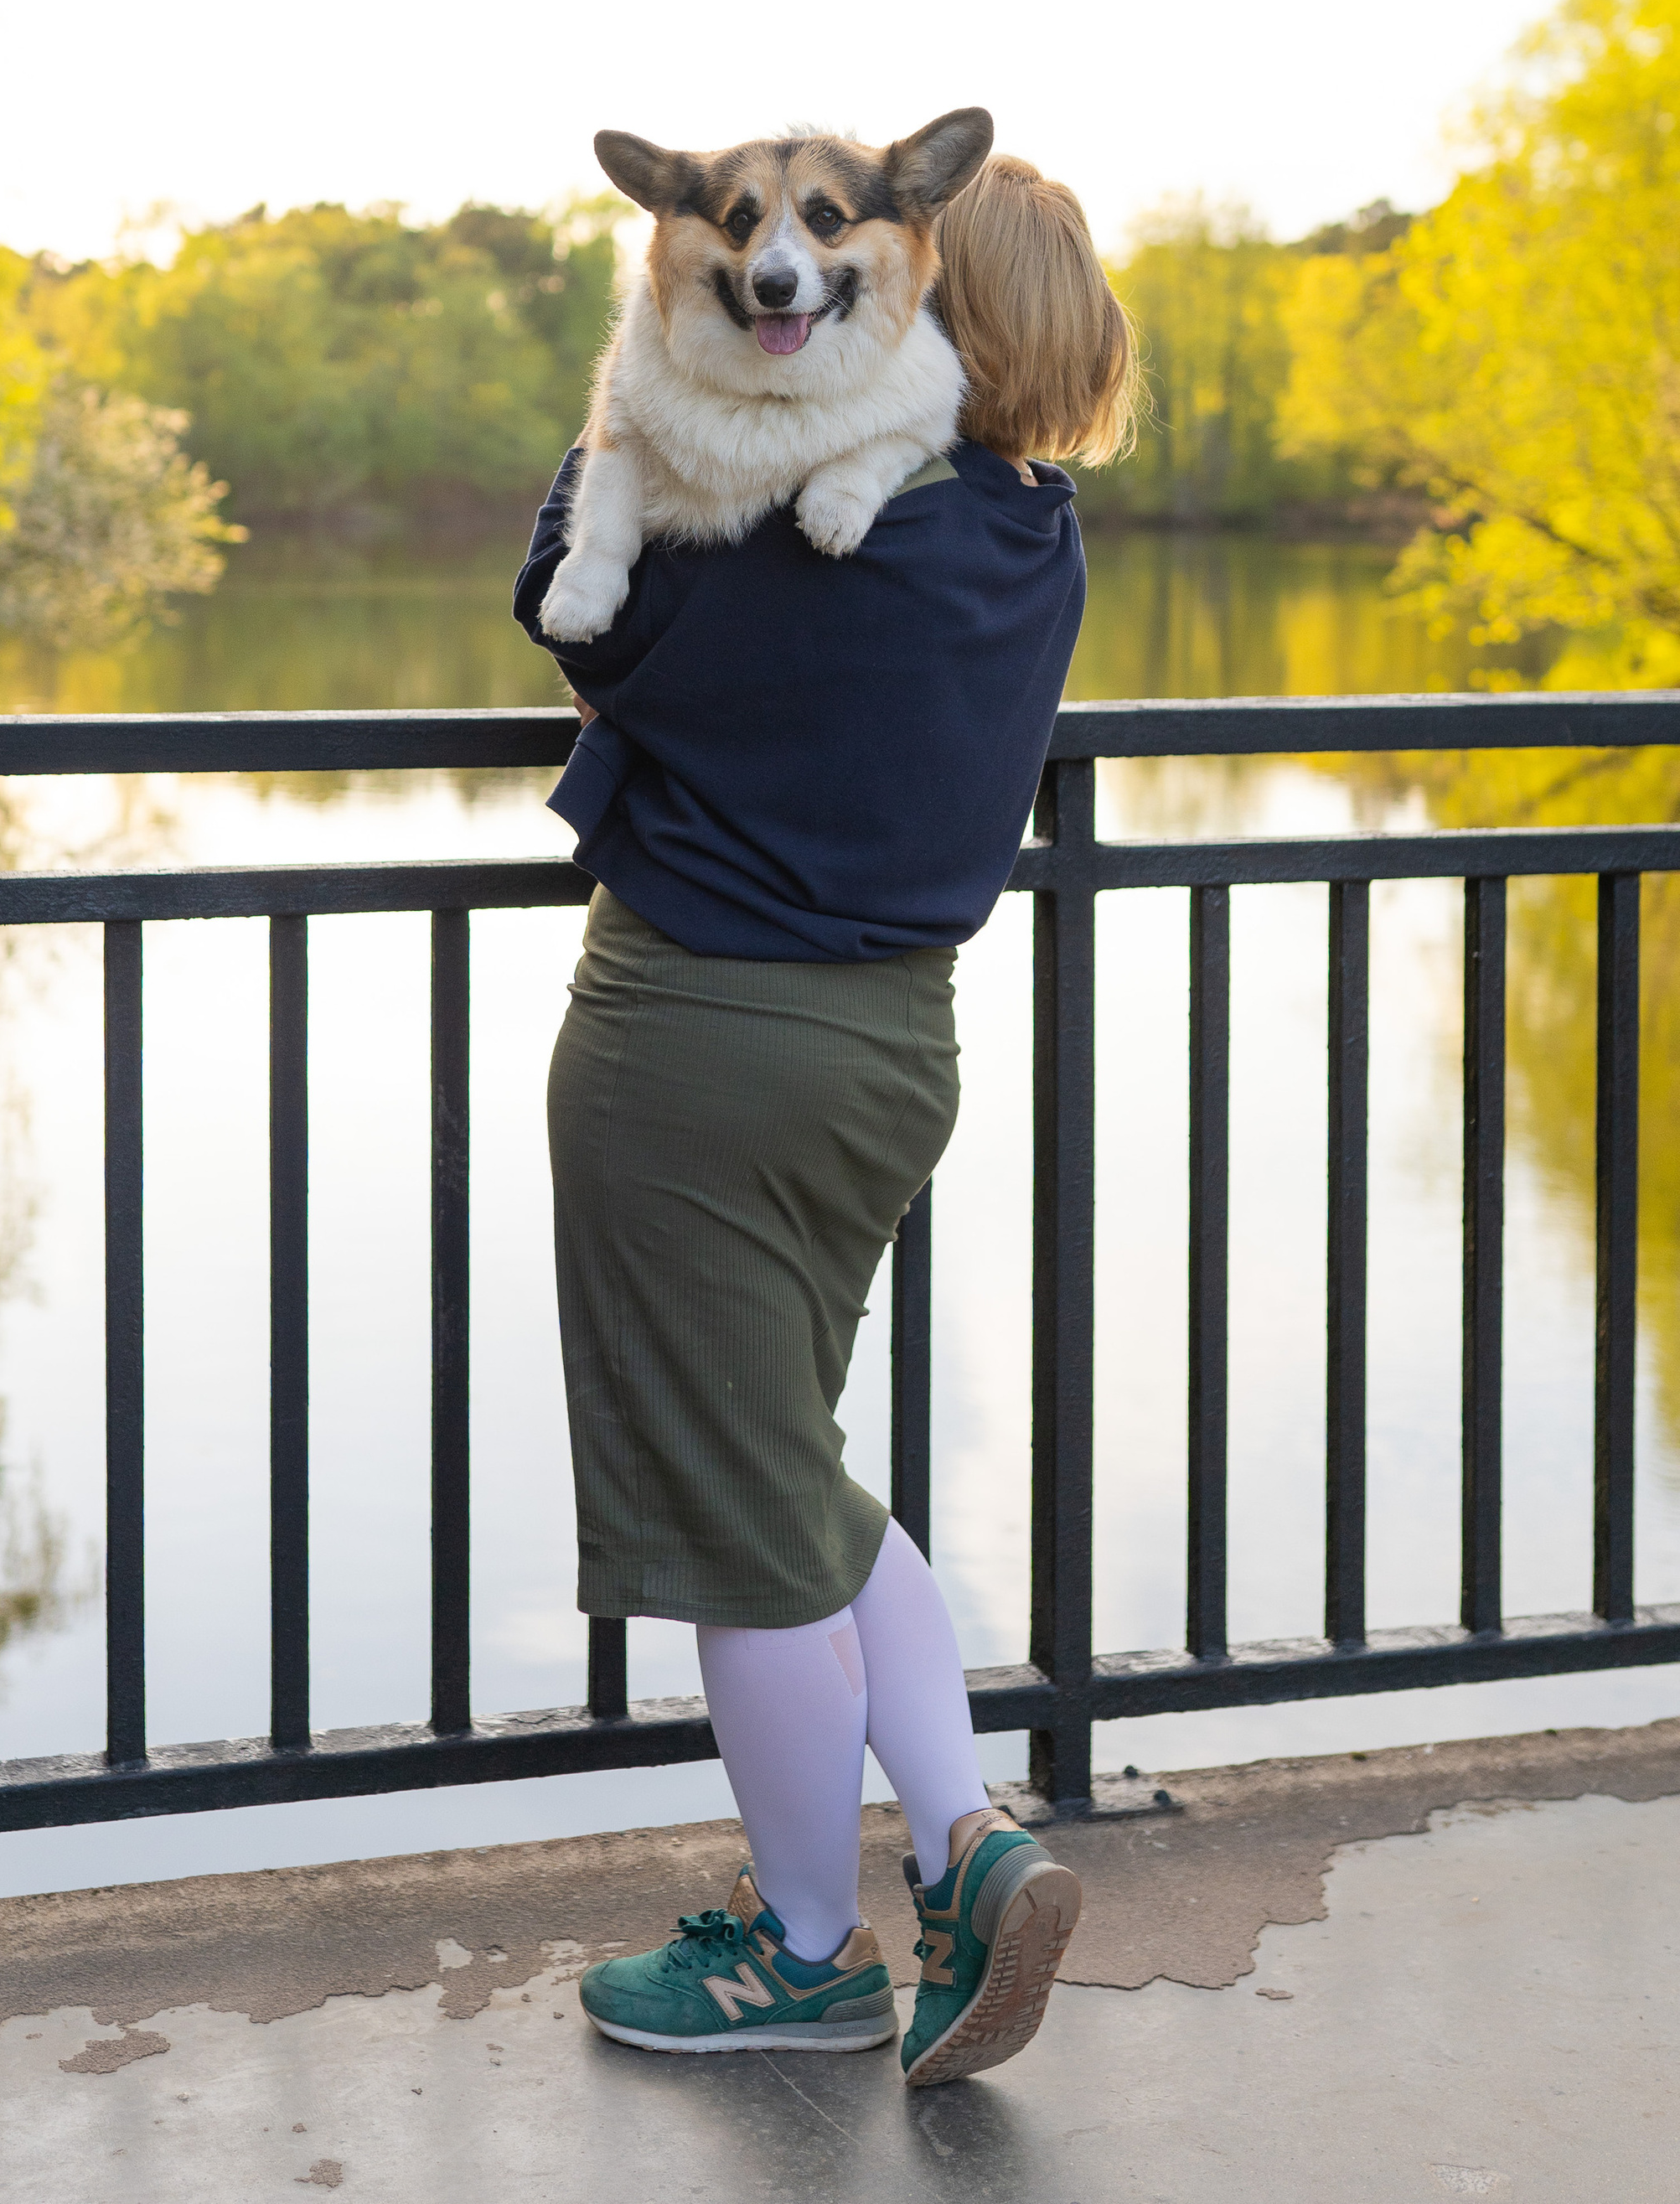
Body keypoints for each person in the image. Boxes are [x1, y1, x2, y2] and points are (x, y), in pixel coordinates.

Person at [511, 153, 1141, 2088]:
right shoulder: (1031, 538)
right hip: (887, 1054)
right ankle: (967, 1843)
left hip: (700, 1039)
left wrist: (648, 367)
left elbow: (564, 598)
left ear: (930, 304)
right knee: (781, 1460)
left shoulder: (811, 536)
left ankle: (801, 1952)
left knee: (737, 1522)